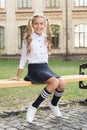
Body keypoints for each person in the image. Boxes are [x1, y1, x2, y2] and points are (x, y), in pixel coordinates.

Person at [11, 14, 66, 123]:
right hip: (34, 69)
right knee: (54, 82)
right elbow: (23, 58)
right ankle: (34, 106)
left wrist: (47, 71)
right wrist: (18, 75)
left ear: (44, 25)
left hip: (45, 67)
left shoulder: (46, 38)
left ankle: (54, 104)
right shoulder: (28, 39)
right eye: (36, 23)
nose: (39, 26)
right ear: (32, 24)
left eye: (41, 24)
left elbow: (45, 57)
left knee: (62, 83)